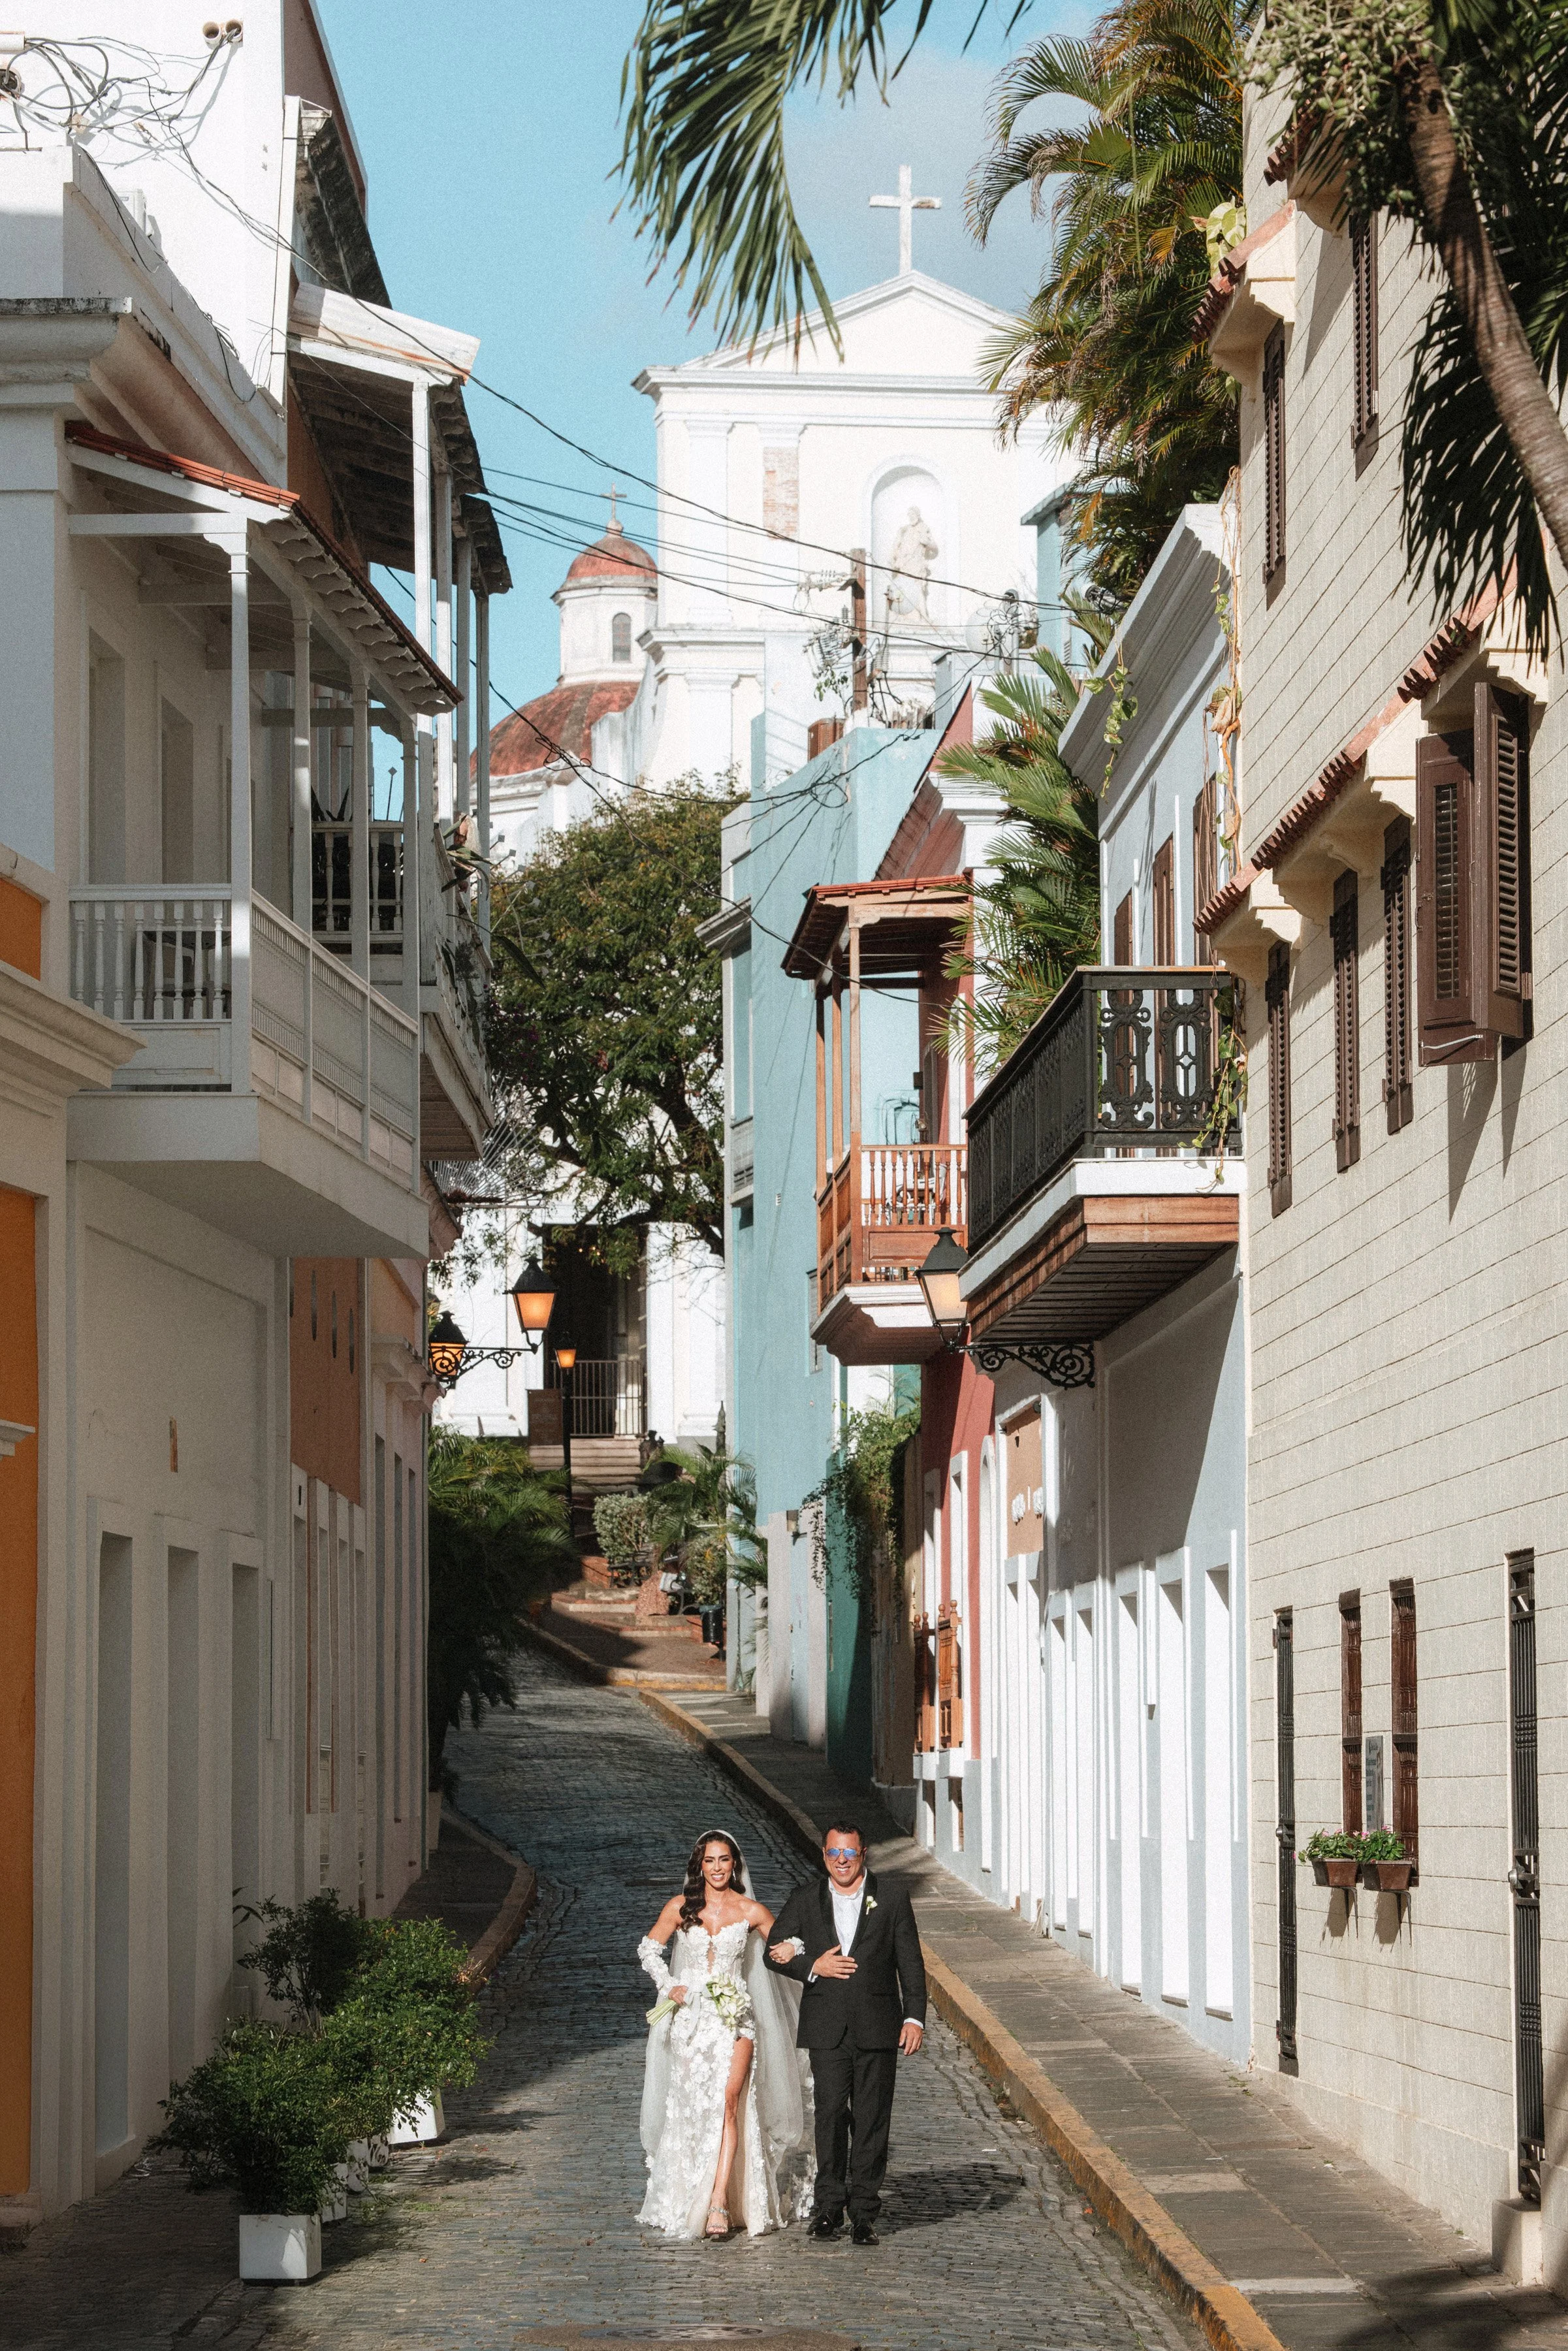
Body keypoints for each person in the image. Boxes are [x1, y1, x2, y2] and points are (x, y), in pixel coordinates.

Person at [637, 1830, 814, 2240]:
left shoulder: (751, 1910)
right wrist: (669, 1985)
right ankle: (688, 2192)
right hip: (692, 2022)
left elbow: (785, 1947)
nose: (717, 1868)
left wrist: (802, 1952)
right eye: (710, 1861)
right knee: (694, 2104)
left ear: (735, 1865)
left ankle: (719, 2201)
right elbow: (648, 1949)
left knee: (729, 2103)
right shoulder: (681, 1908)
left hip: (738, 2021)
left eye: (724, 1860)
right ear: (700, 1865)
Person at [763, 1820, 927, 2245]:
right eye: (833, 1853)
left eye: (849, 1854)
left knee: (872, 2120)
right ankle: (828, 2208)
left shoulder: (890, 1898)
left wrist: (914, 2018)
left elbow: (909, 1962)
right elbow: (774, 1952)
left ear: (863, 1854)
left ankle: (864, 2213)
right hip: (826, 2025)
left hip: (878, 2024)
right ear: (823, 1856)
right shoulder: (805, 1899)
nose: (841, 1861)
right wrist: (811, 1966)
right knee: (831, 2116)